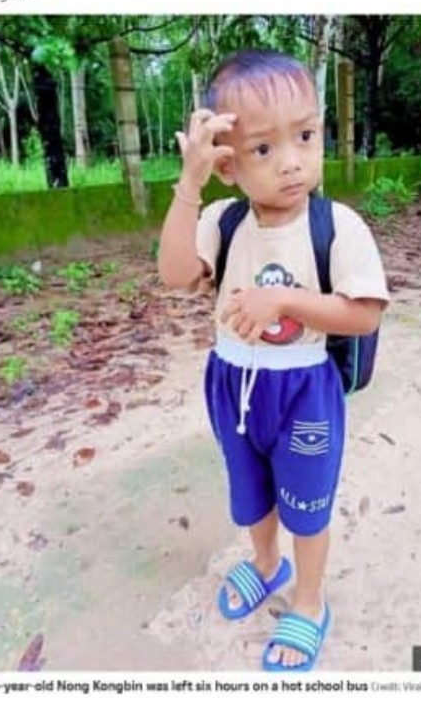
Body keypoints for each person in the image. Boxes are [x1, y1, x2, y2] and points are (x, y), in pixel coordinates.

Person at [158, 49, 389, 672]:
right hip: (231, 382)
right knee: (250, 491)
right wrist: (188, 186)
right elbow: (176, 273)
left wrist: (284, 300)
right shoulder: (222, 220)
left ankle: (308, 603)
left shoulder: (337, 226)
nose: (291, 161)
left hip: (303, 389)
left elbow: (364, 314)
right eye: (263, 148)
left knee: (307, 503)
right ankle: (265, 563)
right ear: (227, 165)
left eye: (305, 136)